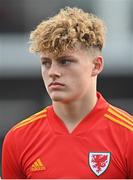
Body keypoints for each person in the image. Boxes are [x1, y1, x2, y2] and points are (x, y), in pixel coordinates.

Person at [2, 7, 133, 179]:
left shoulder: (128, 135)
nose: (52, 72)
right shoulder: (18, 139)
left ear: (96, 65)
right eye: (46, 63)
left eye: (65, 61)